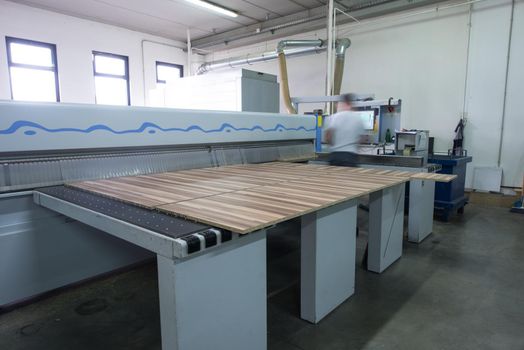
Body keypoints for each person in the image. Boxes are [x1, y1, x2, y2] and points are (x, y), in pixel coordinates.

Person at [324, 93, 365, 167]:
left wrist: (334, 145)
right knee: (348, 178)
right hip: (350, 157)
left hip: (335, 156)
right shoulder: (358, 118)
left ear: (342, 103)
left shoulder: (333, 117)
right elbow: (362, 139)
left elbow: (328, 137)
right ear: (350, 103)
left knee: (333, 178)